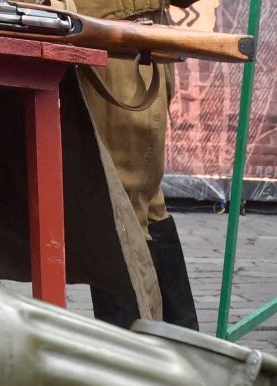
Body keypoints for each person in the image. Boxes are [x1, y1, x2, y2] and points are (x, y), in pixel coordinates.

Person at [79, 0, 199, 330]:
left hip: (126, 41)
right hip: (112, 38)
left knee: (129, 200)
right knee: (128, 200)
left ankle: (151, 352)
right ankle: (163, 353)